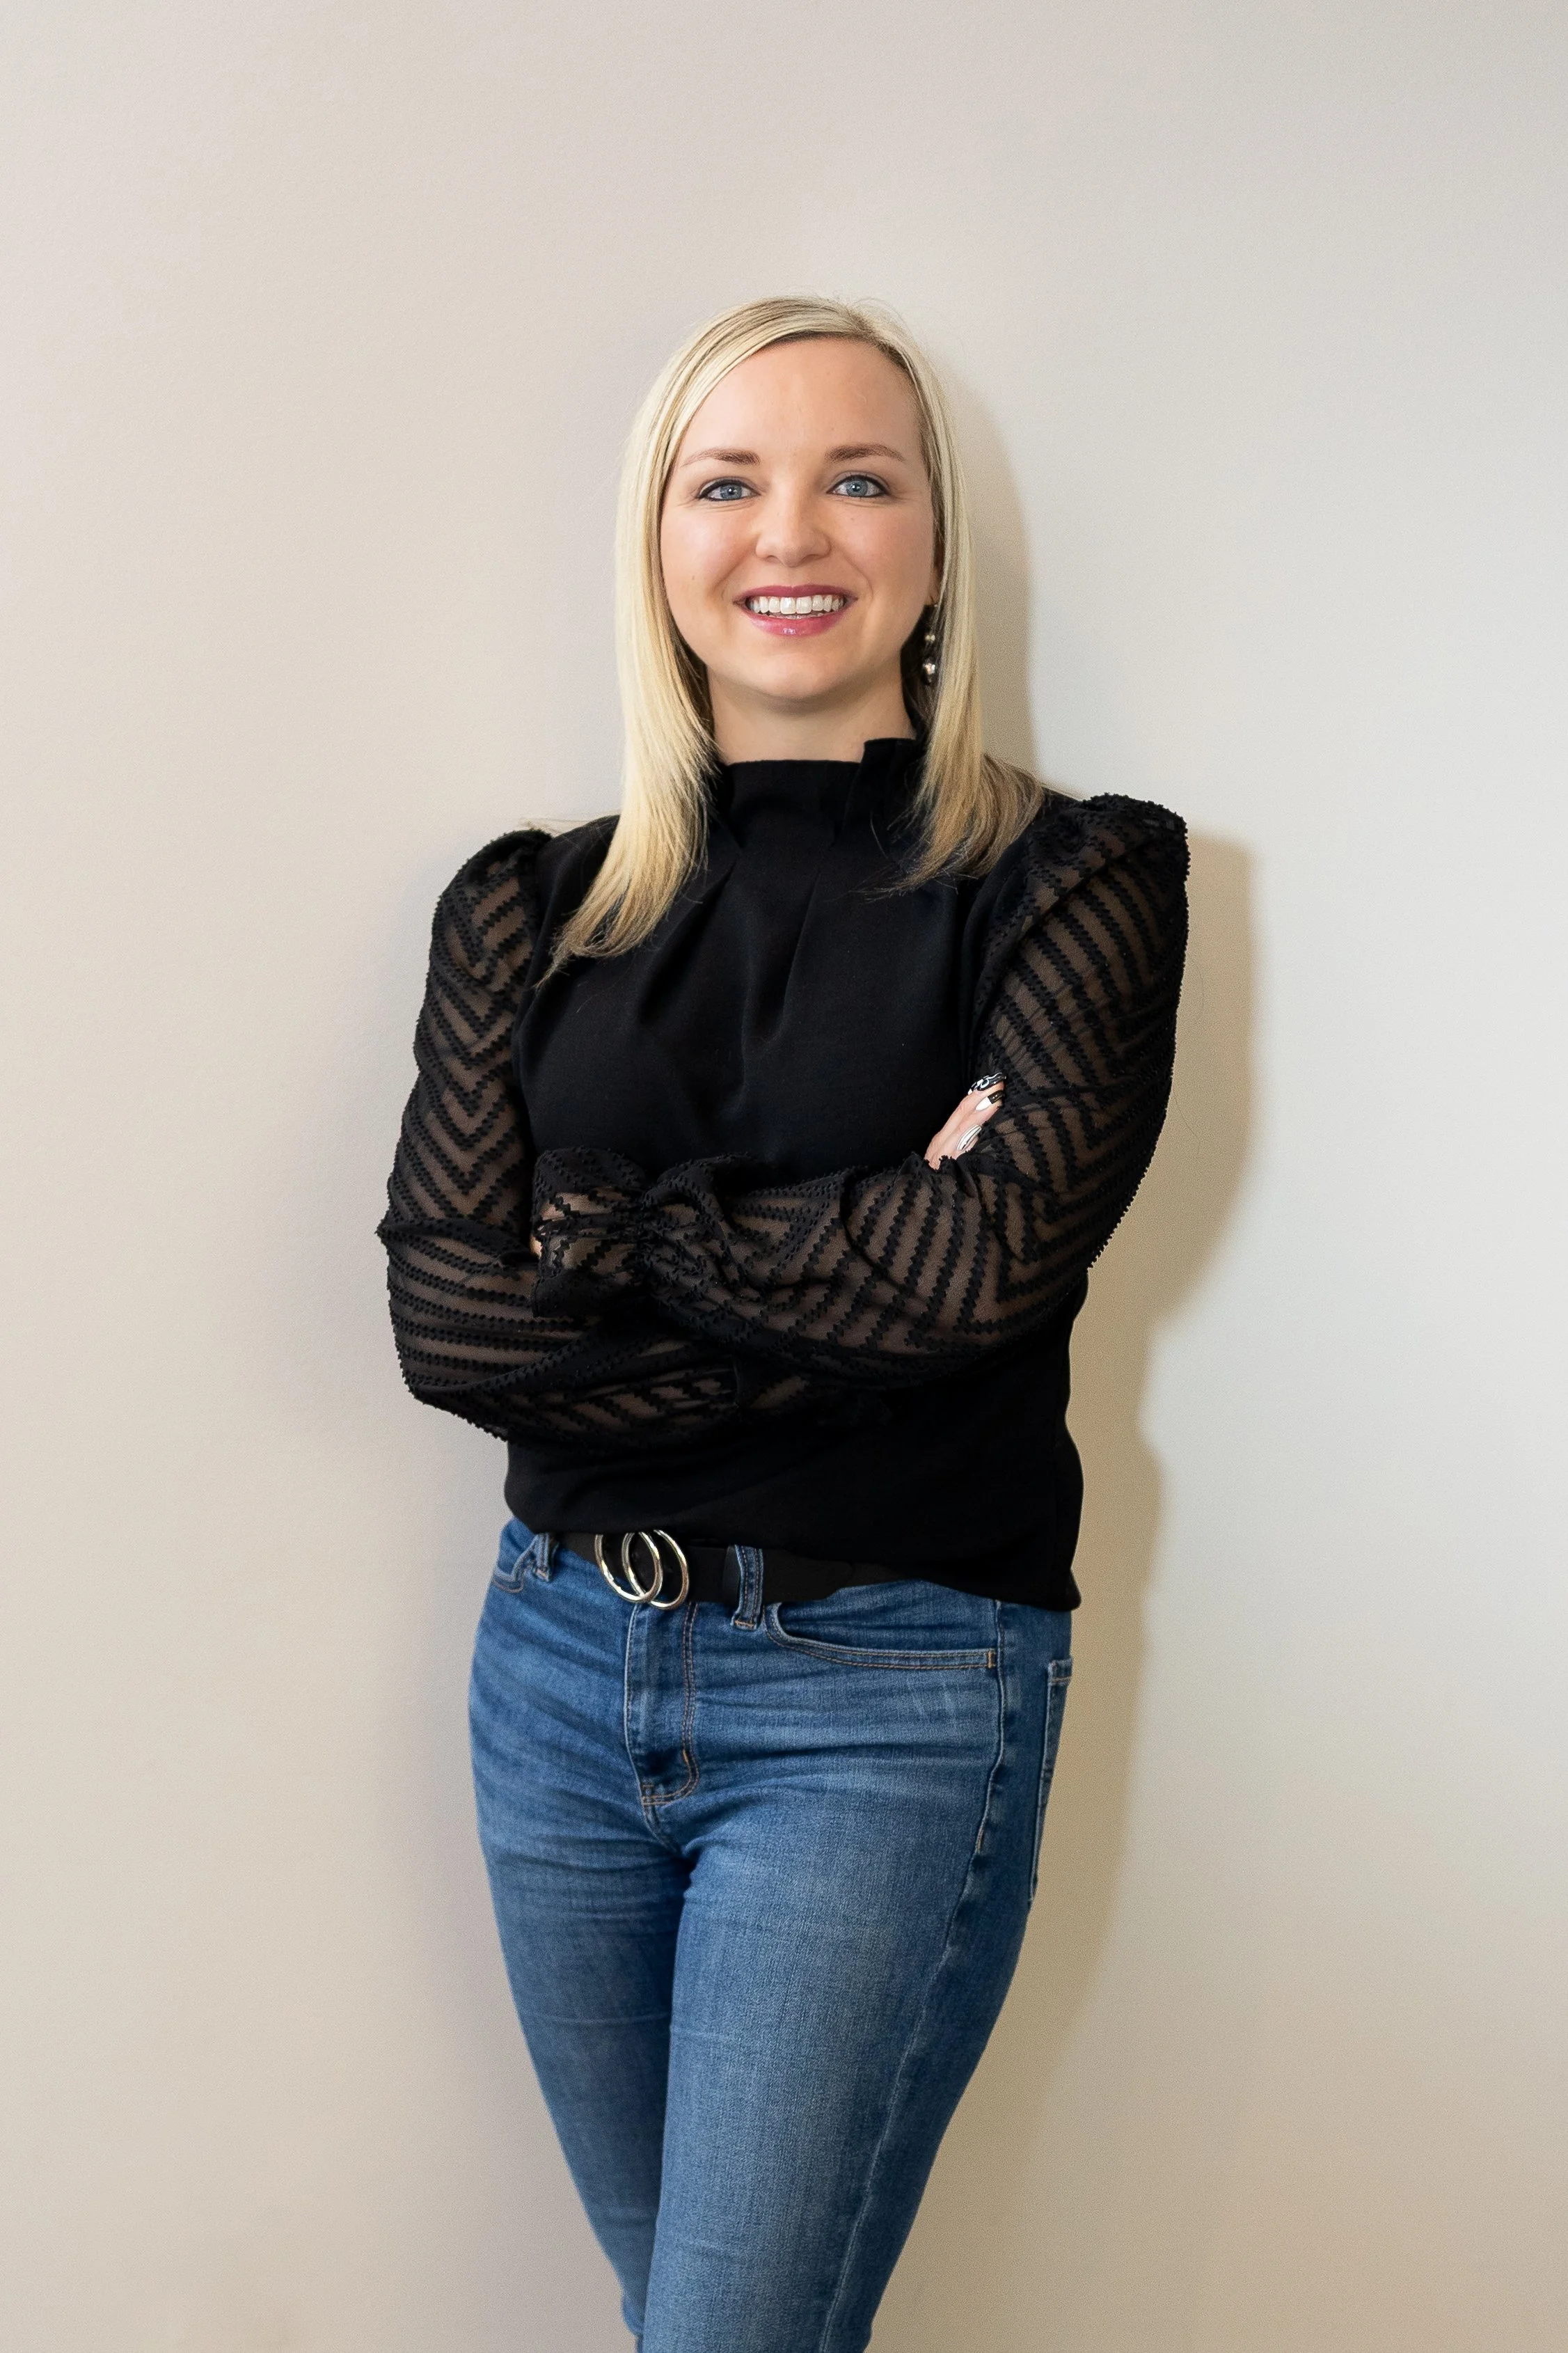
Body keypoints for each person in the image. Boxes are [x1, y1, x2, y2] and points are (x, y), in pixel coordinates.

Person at [379, 294, 1188, 2353]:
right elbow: (457, 1325)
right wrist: (861, 1246)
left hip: (888, 1691)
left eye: (857, 473)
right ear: (658, 536)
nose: (787, 526)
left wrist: (610, 1234)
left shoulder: (1068, 880)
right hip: (553, 1673)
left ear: (931, 543)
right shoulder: (524, 909)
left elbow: (983, 1278)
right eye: (724, 477)